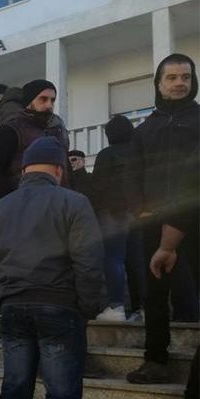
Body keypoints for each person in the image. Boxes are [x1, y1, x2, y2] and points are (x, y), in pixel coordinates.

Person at [0, 136, 104, 399]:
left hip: (15, 309)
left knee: (13, 398)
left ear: (24, 170)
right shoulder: (74, 203)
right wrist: (87, 306)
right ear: (59, 170)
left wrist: (1, 297)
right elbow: (88, 262)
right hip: (60, 308)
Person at [126, 53, 199, 384]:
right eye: (171, 78)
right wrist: (139, 208)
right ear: (158, 83)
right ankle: (155, 359)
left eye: (185, 77)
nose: (179, 83)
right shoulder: (145, 129)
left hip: (195, 220)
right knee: (153, 294)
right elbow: (134, 175)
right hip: (153, 223)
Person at [85, 117, 137, 322]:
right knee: (138, 261)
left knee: (114, 259)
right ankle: (142, 308)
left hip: (112, 214)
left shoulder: (106, 155)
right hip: (138, 212)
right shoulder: (138, 153)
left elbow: (97, 186)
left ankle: (116, 307)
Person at [0, 79, 70, 201]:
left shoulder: (57, 130)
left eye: (52, 100)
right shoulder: (12, 129)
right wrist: (11, 206)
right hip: (24, 206)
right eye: (43, 99)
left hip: (58, 205)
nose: (49, 105)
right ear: (28, 101)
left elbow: (66, 171)